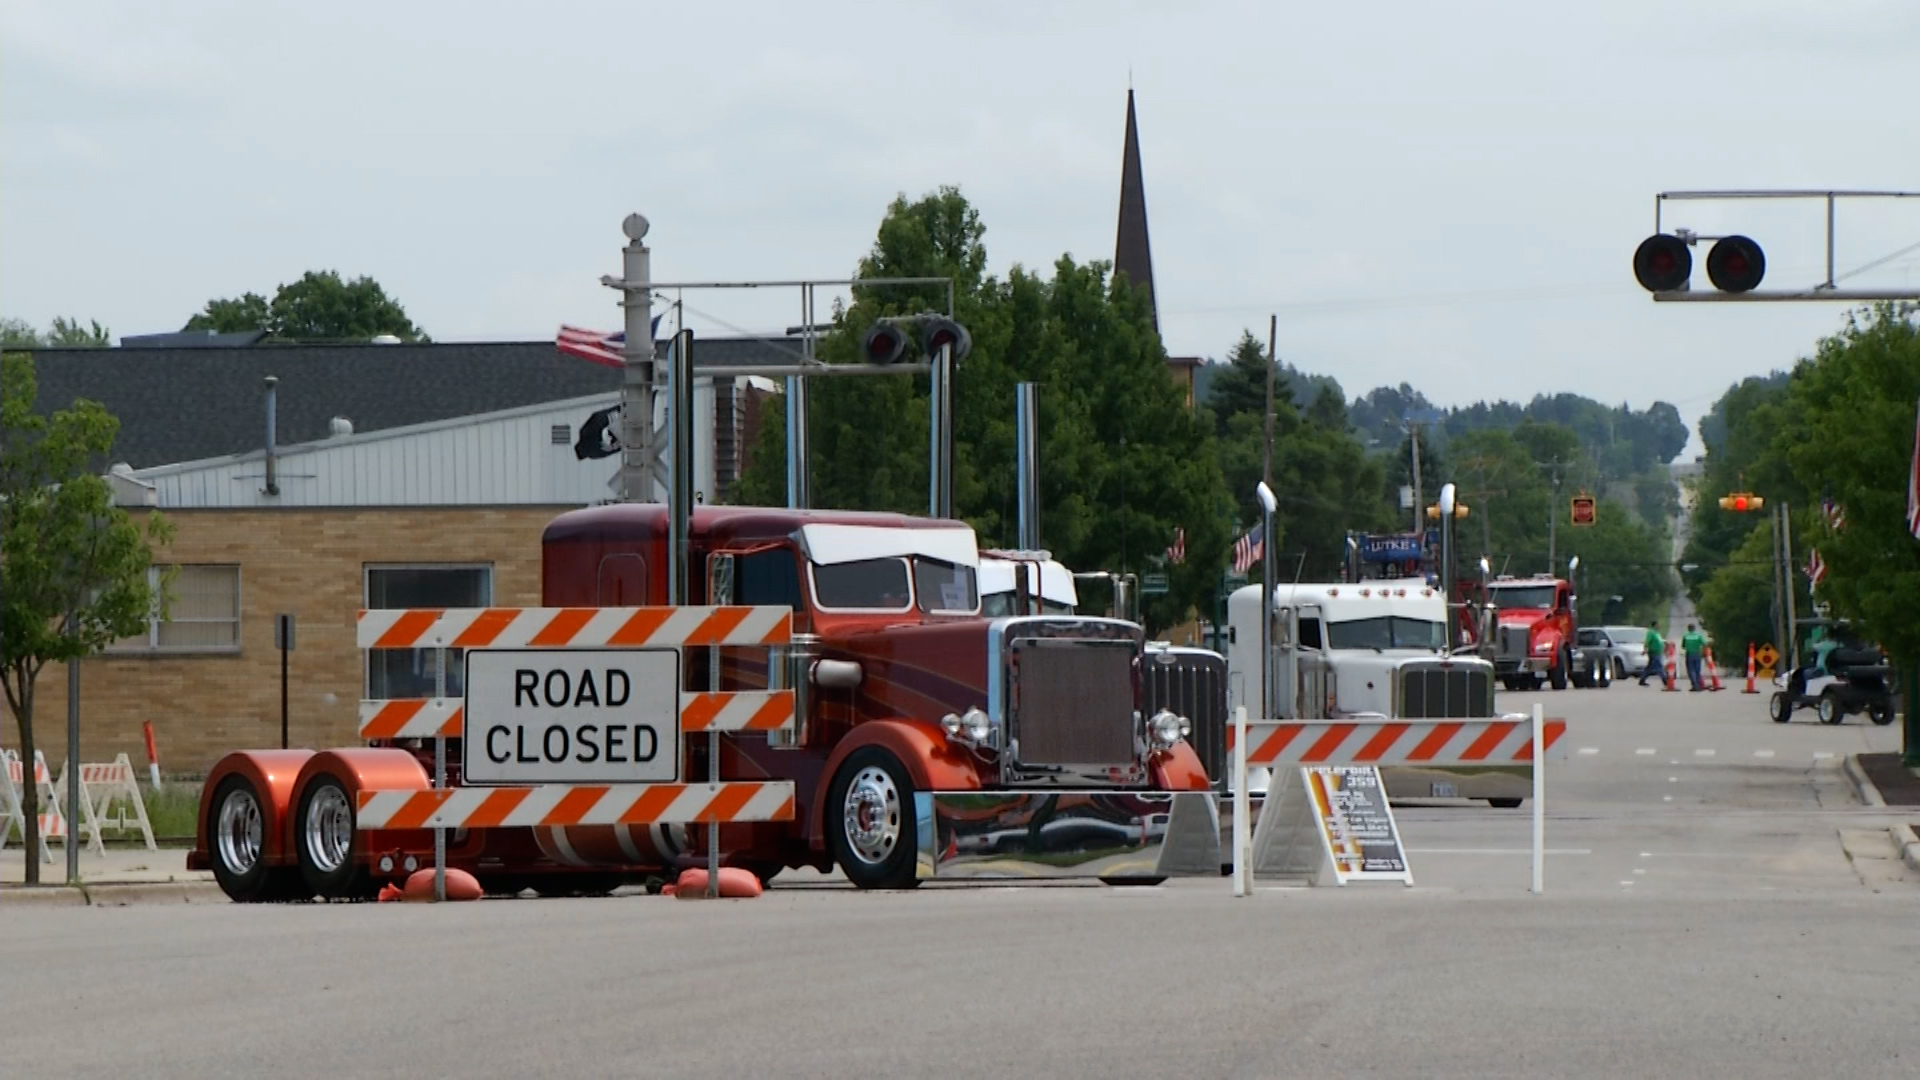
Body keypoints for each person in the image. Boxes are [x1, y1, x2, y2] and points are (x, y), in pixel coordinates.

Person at [1681, 623, 1707, 691]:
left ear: (1688, 629)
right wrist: (1703, 653)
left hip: (1689, 654)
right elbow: (1704, 644)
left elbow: (1683, 646)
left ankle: (1694, 685)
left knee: (1691, 670)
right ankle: (1698, 685)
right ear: (1694, 628)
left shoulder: (1685, 636)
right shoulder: (1698, 635)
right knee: (1697, 670)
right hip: (1697, 653)